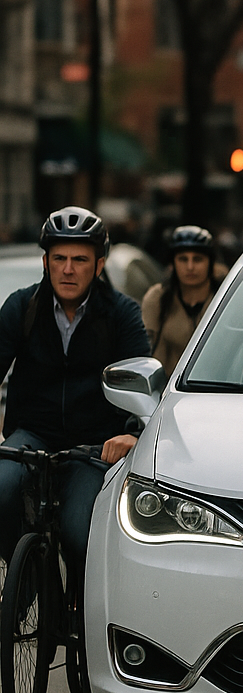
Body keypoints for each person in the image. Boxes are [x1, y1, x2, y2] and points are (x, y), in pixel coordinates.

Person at [0, 206, 150, 584]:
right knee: (0, 490)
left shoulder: (122, 314)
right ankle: (29, 577)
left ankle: (81, 610)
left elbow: (143, 386)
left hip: (94, 444)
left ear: (98, 266)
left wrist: (132, 433)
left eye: (79, 260)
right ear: (46, 261)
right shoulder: (21, 307)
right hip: (31, 435)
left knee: (77, 530)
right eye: (59, 258)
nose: (68, 269)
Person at [141, 225, 223, 375]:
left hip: (216, 385)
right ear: (173, 263)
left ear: (210, 263)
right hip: (168, 387)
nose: (190, 267)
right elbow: (148, 352)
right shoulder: (158, 297)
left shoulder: (225, 297)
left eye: (197, 259)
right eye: (183, 259)